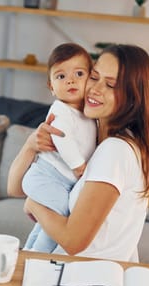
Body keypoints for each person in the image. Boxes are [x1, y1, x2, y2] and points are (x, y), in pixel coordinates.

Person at [7, 43, 149, 262]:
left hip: (76, 280)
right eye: (94, 76)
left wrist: (34, 204)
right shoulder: (98, 142)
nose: (95, 89)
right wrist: (31, 146)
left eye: (110, 84)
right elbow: (14, 188)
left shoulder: (115, 150)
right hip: (80, 277)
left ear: (132, 97)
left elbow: (73, 241)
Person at [21, 43, 97, 252]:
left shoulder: (87, 114)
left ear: (90, 79)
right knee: (63, 219)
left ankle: (26, 256)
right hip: (47, 177)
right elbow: (62, 137)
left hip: (59, 181)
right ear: (52, 87)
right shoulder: (61, 110)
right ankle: (38, 259)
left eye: (79, 73)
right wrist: (79, 166)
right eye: (61, 76)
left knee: (44, 224)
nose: (70, 80)